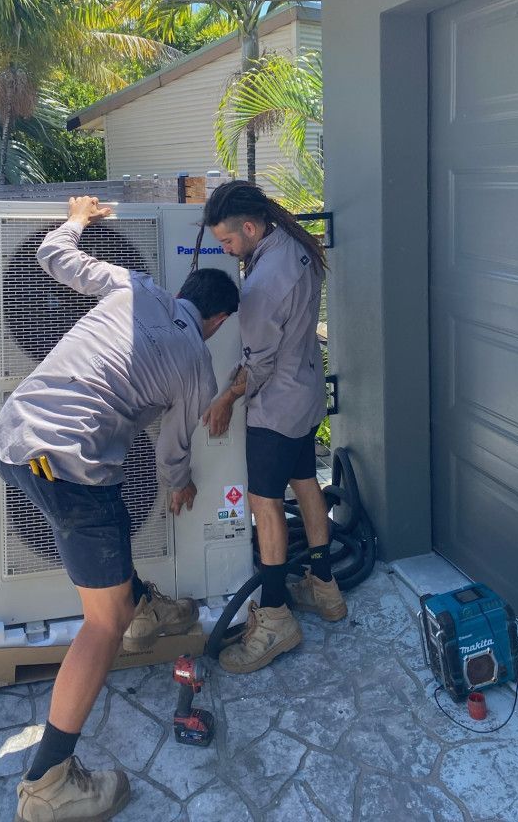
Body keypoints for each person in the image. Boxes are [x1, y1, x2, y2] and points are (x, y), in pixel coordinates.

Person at [0, 195, 239, 821]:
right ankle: (48, 785)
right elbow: (176, 447)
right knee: (103, 622)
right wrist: (179, 485)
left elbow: (50, 254)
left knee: (112, 523)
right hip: (70, 467)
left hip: (13, 435)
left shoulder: (134, 285)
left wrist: (76, 216)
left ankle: (143, 605)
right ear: (218, 320)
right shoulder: (197, 365)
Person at [201, 180, 346, 675]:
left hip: (277, 406)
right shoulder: (294, 246)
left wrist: (227, 396)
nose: (226, 250)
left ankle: (276, 617)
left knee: (264, 505)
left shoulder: (262, 284)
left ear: (247, 227)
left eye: (226, 242)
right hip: (305, 393)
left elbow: (258, 362)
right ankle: (324, 587)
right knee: (306, 483)